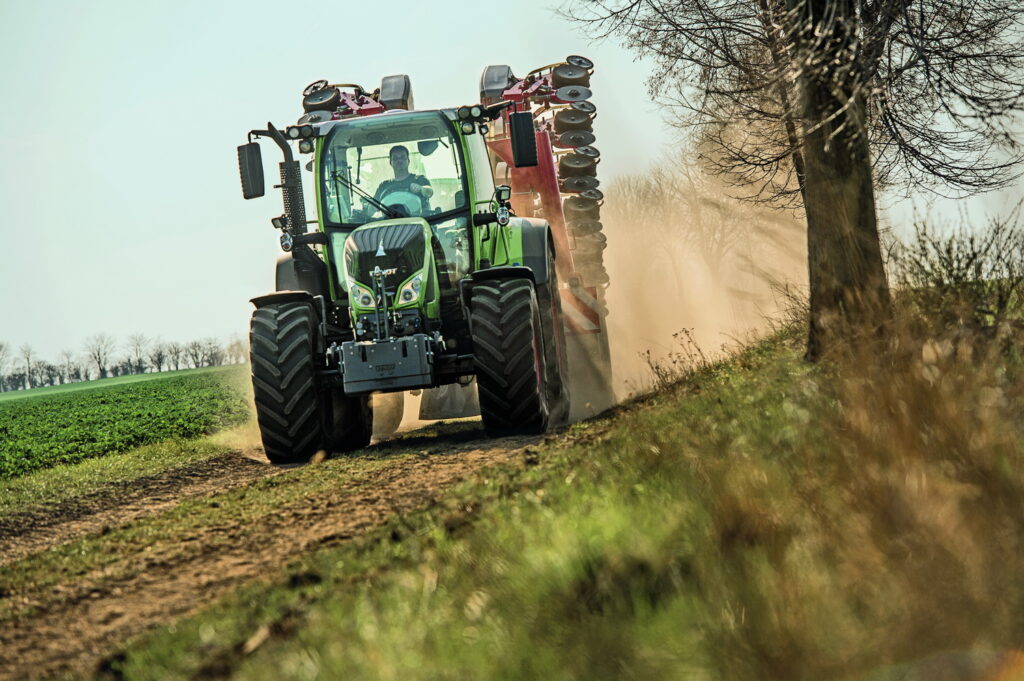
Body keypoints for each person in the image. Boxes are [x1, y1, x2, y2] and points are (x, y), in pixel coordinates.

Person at [372, 145, 433, 215]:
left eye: (402, 157)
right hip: (391, 224)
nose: (399, 160)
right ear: (390, 163)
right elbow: (372, 208)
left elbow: (430, 192)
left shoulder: (419, 179)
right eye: (395, 158)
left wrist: (421, 188)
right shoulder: (383, 186)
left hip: (420, 222)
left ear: (408, 161)